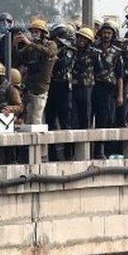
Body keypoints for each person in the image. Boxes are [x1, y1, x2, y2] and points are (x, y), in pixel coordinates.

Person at [15, 19, 58, 126]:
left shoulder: (50, 44)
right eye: (32, 32)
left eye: (37, 32)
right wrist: (15, 44)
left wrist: (30, 44)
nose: (34, 34)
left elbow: (49, 53)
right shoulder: (31, 47)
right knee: (28, 118)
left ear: (43, 33)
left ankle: (41, 143)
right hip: (29, 86)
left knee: (36, 118)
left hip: (41, 87)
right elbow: (19, 57)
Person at [92, 21, 124, 158]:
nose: (106, 35)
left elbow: (120, 76)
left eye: (109, 33)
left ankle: (102, 151)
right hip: (93, 87)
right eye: (104, 32)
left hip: (109, 90)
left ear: (113, 35)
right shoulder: (93, 49)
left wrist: (120, 95)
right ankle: (92, 151)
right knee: (89, 119)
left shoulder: (117, 53)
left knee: (105, 120)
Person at [45, 24, 75, 159]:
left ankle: (68, 154)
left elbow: (61, 64)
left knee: (65, 121)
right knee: (50, 122)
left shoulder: (69, 50)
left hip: (63, 88)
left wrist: (53, 57)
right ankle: (53, 155)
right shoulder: (49, 49)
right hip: (51, 87)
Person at [71, 27, 101, 131]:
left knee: (86, 115)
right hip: (73, 86)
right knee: (74, 116)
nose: (81, 40)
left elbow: (99, 69)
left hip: (86, 87)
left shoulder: (94, 53)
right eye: (80, 38)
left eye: (84, 39)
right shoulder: (72, 51)